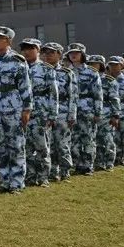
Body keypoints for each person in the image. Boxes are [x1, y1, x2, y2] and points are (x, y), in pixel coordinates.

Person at [0, 26, 32, 194]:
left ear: (9, 41)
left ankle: (17, 182)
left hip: (13, 107)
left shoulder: (17, 60)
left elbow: (25, 86)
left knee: (15, 146)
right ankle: (4, 180)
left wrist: (27, 109)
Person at [19, 38, 57, 187]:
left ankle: (43, 177)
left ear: (38, 50)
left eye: (31, 48)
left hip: (41, 113)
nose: (27, 52)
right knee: (26, 147)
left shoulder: (46, 69)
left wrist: (52, 115)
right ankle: (29, 176)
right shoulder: (19, 67)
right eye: (25, 49)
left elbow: (53, 94)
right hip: (23, 113)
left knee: (42, 147)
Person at [41, 42, 77, 182]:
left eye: (52, 52)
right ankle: (52, 171)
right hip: (46, 112)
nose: (48, 55)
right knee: (48, 144)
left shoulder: (67, 73)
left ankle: (65, 171)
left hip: (62, 112)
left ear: (59, 54)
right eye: (46, 52)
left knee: (62, 144)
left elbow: (73, 96)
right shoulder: (41, 70)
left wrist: (71, 115)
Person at [66, 43, 102, 175]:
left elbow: (98, 94)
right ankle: (77, 164)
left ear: (83, 55)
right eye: (71, 53)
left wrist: (98, 112)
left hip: (87, 109)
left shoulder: (91, 72)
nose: (73, 55)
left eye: (77, 52)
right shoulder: (66, 71)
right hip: (70, 109)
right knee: (73, 139)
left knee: (88, 139)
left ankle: (87, 166)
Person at [89, 55, 120, 171]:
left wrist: (115, 116)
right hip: (92, 113)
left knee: (107, 139)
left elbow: (115, 99)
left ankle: (109, 162)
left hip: (107, 114)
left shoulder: (109, 80)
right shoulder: (89, 78)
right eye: (90, 64)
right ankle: (98, 162)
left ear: (101, 65)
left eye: (95, 64)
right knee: (95, 140)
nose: (92, 66)